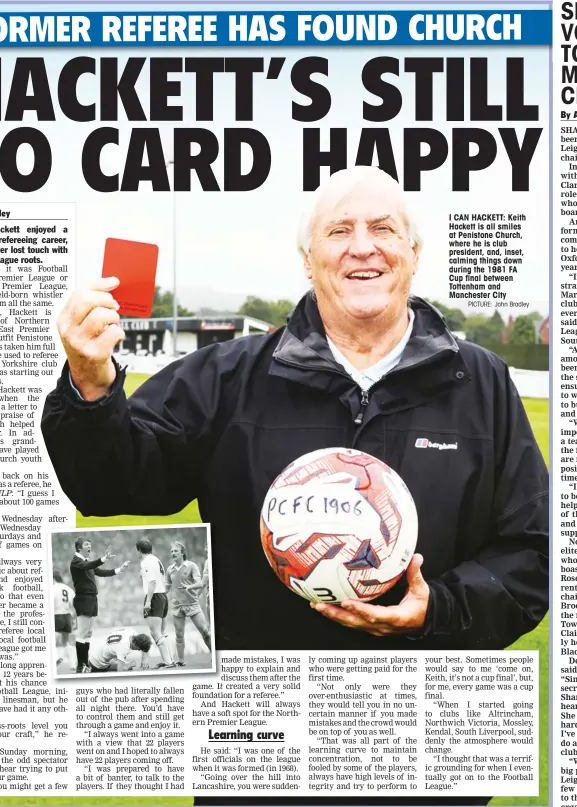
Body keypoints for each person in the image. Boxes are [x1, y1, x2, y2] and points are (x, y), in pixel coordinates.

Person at [42, 165, 548, 657]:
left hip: (421, 715)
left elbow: (534, 551)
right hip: (263, 715)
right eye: (339, 230)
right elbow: (108, 485)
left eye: (383, 229)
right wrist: (91, 386)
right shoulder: (226, 378)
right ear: (309, 259)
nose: (362, 246)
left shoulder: (482, 383)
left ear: (413, 253)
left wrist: (437, 608)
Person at [69, 538, 129, 673]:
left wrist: (119, 570)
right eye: (86, 544)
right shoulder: (76, 561)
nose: (89, 546)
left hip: (92, 599)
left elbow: (101, 572)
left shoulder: (86, 562)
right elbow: (88, 566)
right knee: (82, 632)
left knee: (88, 633)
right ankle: (80, 665)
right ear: (79, 548)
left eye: (90, 544)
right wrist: (103, 558)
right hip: (83, 599)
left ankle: (85, 663)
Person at [165, 541, 212, 666]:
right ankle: (181, 661)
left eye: (175, 551)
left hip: (192, 604)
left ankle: (215, 655)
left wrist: (189, 588)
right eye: (171, 551)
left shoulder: (192, 566)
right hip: (177, 606)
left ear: (182, 552)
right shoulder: (170, 569)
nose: (173, 553)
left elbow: (200, 583)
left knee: (205, 632)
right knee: (179, 635)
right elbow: (166, 587)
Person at [136, 536, 175, 668]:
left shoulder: (146, 562)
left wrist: (148, 602)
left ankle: (168, 662)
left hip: (154, 596)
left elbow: (152, 582)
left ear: (139, 550)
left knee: (155, 632)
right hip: (162, 595)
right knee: (161, 632)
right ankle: (169, 660)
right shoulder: (156, 560)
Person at [87, 628, 152, 673]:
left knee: (120, 661)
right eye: (139, 649)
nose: (138, 651)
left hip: (94, 655)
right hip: (97, 664)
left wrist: (144, 658)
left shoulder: (131, 632)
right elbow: (120, 672)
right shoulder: (124, 648)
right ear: (135, 644)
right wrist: (130, 665)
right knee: (129, 669)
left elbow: (144, 640)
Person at [52, 570, 75, 671]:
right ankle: (72, 664)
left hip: (57, 615)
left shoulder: (52, 588)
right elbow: (74, 603)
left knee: (52, 639)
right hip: (67, 616)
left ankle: (56, 658)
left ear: (53, 579)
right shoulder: (68, 589)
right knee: (66, 641)